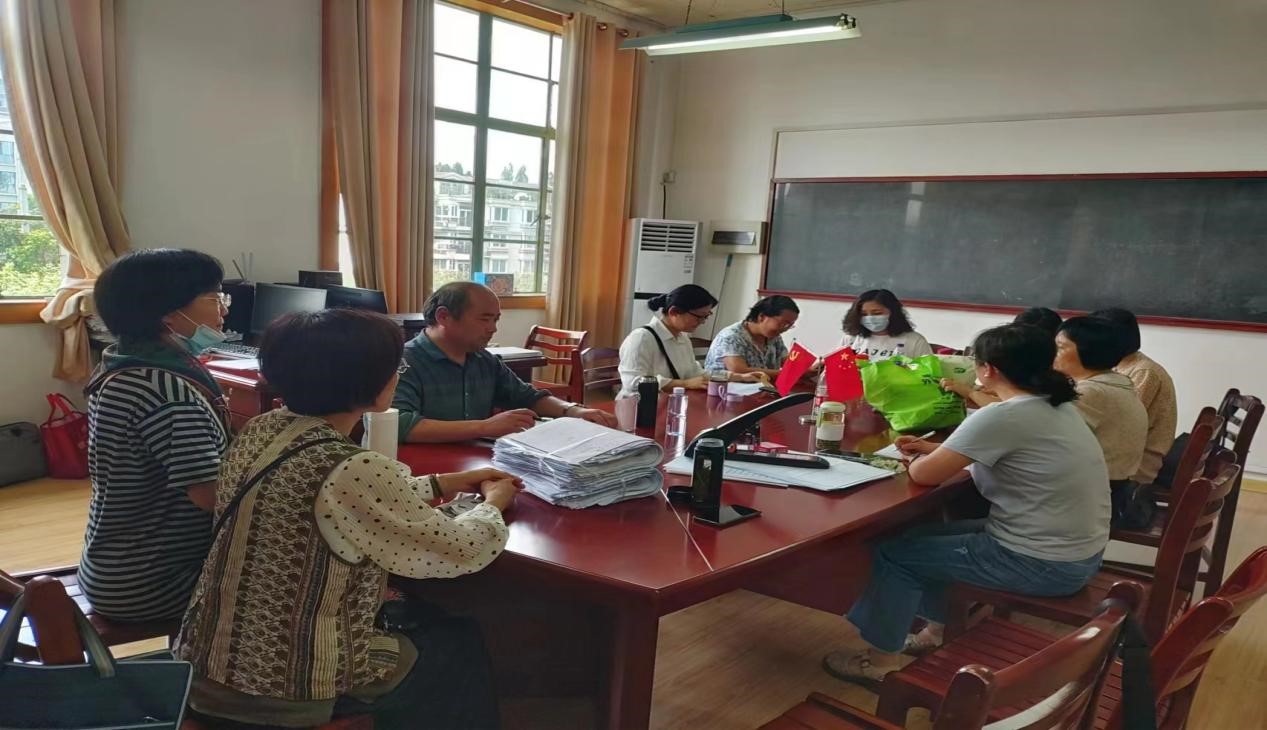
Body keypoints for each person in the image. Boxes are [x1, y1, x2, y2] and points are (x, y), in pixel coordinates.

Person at [176, 309, 516, 728]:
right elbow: (461, 549)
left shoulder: (264, 428)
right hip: (283, 686)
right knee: (454, 641)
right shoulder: (352, 467)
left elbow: (342, 496)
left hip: (205, 663)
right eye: (395, 369)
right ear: (368, 385)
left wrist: (442, 483)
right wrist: (493, 504)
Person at [822, 324, 1109, 687]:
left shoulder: (1004, 415)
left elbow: (925, 475)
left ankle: (879, 662)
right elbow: (1007, 453)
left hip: (1040, 562)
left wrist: (920, 459)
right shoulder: (1057, 407)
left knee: (896, 555)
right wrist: (941, 450)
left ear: (989, 369)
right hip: (1076, 553)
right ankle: (934, 632)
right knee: (917, 537)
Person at [80, 248, 231, 623]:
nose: (224, 310)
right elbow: (211, 496)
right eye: (213, 298)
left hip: (111, 566)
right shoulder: (165, 391)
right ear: (167, 313)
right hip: (155, 582)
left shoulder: (123, 364)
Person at [392, 282, 615, 443]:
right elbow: (399, 423)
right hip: (424, 470)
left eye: (495, 319)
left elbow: (527, 396)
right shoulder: (403, 361)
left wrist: (572, 410)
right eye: (484, 319)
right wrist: (484, 427)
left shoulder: (483, 359)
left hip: (474, 462)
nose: (493, 328)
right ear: (443, 317)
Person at [618, 284, 763, 396]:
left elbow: (696, 373)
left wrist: (738, 377)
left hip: (669, 402)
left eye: (706, 316)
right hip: (638, 407)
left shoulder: (683, 338)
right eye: (699, 317)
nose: (703, 322)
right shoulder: (642, 338)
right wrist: (685, 384)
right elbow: (633, 382)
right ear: (674, 312)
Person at [1054, 317, 1149, 482]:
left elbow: (1049, 443)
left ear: (1087, 351)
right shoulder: (1116, 383)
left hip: (1089, 488)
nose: (1052, 353)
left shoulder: (1090, 393)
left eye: (1060, 347)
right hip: (1113, 485)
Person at [1091, 308, 1178, 486]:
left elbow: (1122, 423)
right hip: (1123, 453)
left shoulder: (1143, 371)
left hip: (1139, 462)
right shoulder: (1120, 365)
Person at [703, 295, 799, 380]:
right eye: (783, 323)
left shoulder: (774, 337)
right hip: (724, 391)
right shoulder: (731, 336)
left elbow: (788, 362)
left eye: (790, 325)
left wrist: (802, 369)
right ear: (761, 317)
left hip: (761, 389)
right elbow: (739, 370)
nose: (785, 329)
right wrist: (788, 374)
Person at [839, 289, 932, 361]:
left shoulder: (915, 341)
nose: (870, 318)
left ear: (893, 313)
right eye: (864, 314)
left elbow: (929, 374)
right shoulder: (850, 339)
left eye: (877, 313)